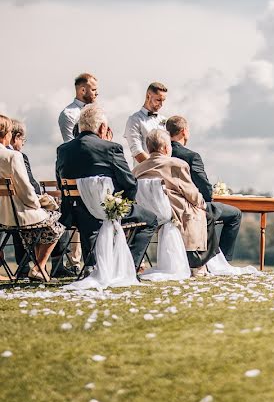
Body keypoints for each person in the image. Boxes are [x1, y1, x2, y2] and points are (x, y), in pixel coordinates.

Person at [56, 104, 158, 270]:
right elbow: (130, 183)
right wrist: (124, 205)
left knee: (88, 216)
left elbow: (61, 183)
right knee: (151, 220)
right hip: (106, 209)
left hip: (74, 213)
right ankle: (128, 265)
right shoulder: (111, 148)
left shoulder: (63, 150)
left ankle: (92, 265)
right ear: (103, 127)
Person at [133, 129, 219, 274]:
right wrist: (202, 203)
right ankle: (198, 263)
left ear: (148, 148)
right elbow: (191, 193)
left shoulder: (137, 169)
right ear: (166, 148)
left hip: (150, 215)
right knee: (206, 213)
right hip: (177, 213)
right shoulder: (177, 165)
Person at [166, 116, 242, 261]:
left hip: (166, 209)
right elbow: (204, 188)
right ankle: (223, 261)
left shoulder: (162, 155)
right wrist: (207, 199)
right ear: (184, 131)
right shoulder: (191, 156)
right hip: (191, 208)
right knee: (235, 214)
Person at [0, 114, 63, 281]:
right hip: (18, 216)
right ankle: (39, 267)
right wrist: (38, 203)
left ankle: (35, 268)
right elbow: (26, 190)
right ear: (6, 134)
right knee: (56, 222)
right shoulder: (13, 156)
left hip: (2, 217)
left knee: (38, 225)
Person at [124, 82, 168, 164]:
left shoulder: (164, 120)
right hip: (144, 173)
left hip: (165, 173)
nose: (161, 104)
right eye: (158, 100)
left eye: (163, 100)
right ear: (148, 96)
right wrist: (157, 168)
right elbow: (137, 151)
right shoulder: (134, 120)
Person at [58, 73, 98, 143]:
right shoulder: (68, 114)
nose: (97, 93)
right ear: (83, 90)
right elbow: (70, 144)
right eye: (93, 90)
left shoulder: (98, 112)